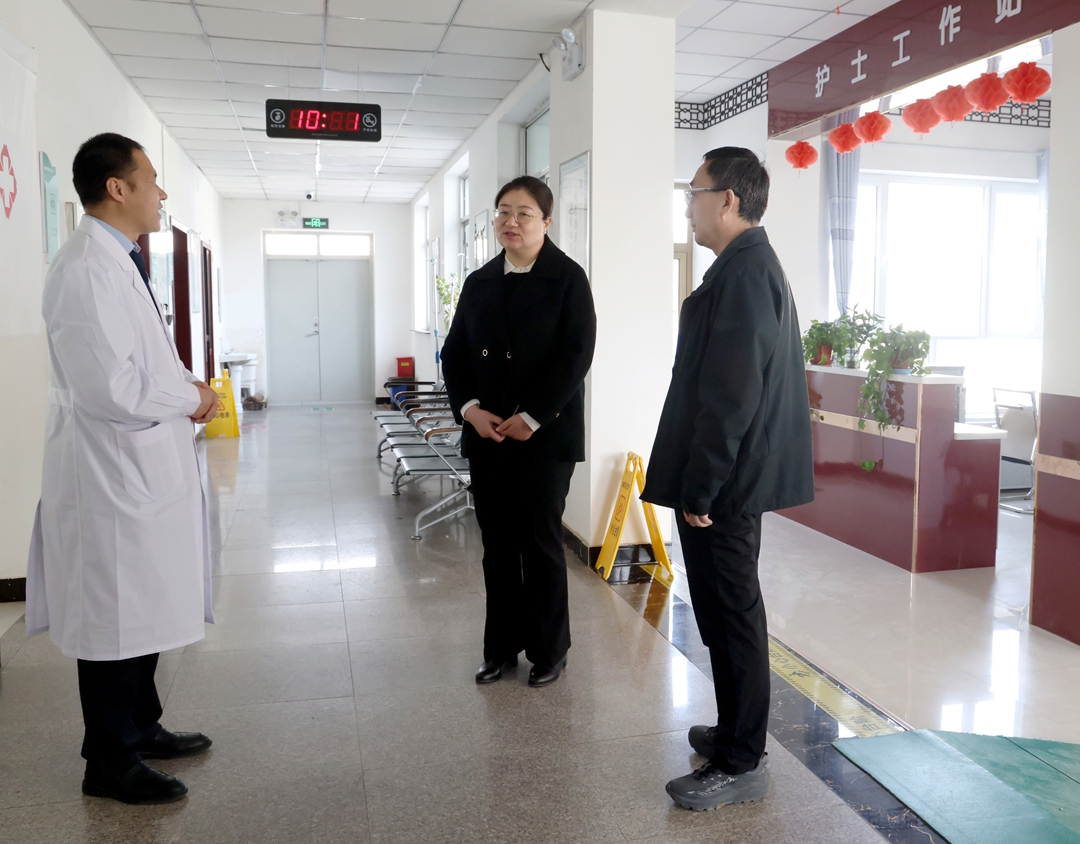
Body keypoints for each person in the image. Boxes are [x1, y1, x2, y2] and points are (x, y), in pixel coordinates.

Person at [25, 133, 219, 805]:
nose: (161, 193)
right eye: (152, 179)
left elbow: (144, 360)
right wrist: (191, 397)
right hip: (108, 472)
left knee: (143, 602)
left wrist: (186, 384)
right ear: (118, 188)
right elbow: (110, 387)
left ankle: (141, 726)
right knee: (114, 613)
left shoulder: (120, 260)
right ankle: (108, 759)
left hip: (138, 465)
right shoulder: (85, 269)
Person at [640, 147, 814, 811]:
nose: (688, 206)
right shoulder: (742, 266)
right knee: (719, 609)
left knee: (735, 616)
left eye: (695, 192)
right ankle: (733, 729)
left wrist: (703, 486)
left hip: (727, 486)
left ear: (729, 200)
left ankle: (743, 761)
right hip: (725, 479)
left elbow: (732, 396)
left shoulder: (745, 273)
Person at [441, 176, 596, 688]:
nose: (511, 221)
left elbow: (576, 357)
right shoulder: (480, 282)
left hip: (544, 437)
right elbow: (454, 355)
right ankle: (500, 649)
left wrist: (532, 416)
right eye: (503, 211)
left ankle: (551, 651)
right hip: (489, 436)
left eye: (524, 213)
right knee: (498, 546)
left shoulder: (567, 278)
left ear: (546, 222)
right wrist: (469, 410)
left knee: (540, 542)